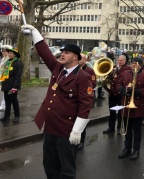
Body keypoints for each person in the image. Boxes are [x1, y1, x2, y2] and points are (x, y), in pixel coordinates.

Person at [22, 24, 94, 178]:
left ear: (75, 57)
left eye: (66, 53)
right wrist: (35, 32)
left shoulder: (83, 77)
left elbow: (86, 105)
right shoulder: (57, 69)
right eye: (62, 52)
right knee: (50, 166)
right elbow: (45, 53)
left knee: (67, 170)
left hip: (66, 131)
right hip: (50, 128)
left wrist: (77, 131)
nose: (62, 55)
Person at [117, 57, 144, 160]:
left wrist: (135, 92)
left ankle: (136, 150)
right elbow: (119, 83)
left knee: (136, 129)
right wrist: (122, 90)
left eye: (136, 63)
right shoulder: (126, 73)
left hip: (138, 105)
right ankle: (127, 148)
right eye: (132, 63)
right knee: (127, 129)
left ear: (140, 65)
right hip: (126, 105)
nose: (133, 65)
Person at [103, 55, 132, 134]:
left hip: (120, 93)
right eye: (119, 60)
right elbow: (112, 79)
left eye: (121, 60)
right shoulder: (115, 68)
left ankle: (119, 127)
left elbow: (124, 80)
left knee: (120, 111)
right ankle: (111, 127)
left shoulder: (128, 69)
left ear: (125, 61)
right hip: (112, 93)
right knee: (112, 111)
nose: (120, 62)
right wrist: (109, 76)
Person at [77, 53, 97, 150]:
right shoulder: (74, 69)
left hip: (84, 98)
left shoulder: (90, 70)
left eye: (80, 59)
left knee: (82, 119)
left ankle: (81, 141)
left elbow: (93, 84)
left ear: (85, 60)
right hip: (74, 99)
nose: (78, 60)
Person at [0, 48, 24, 123]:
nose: (9, 55)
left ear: (15, 55)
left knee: (14, 100)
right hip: (6, 84)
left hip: (13, 85)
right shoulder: (7, 62)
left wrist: (15, 87)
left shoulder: (19, 63)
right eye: (9, 53)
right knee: (7, 101)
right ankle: (7, 116)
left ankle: (17, 115)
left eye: (11, 53)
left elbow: (18, 76)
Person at [0, 45, 13, 112]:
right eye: (2, 51)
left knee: (5, 92)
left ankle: (4, 105)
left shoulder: (9, 60)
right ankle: (3, 105)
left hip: (6, 78)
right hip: (1, 77)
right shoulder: (3, 58)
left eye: (5, 51)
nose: (3, 52)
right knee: (2, 92)